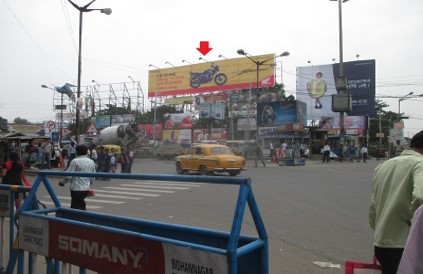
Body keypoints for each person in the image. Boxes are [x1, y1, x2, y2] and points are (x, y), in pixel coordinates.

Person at [369, 130, 423, 274]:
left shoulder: (383, 166)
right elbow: (420, 198)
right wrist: (415, 225)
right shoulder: (420, 164)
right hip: (407, 245)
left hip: (381, 244)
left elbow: (373, 207)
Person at [59, 145, 96, 210]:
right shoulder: (91, 162)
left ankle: (78, 218)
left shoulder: (75, 161)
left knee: (76, 207)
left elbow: (69, 175)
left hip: (76, 188)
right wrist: (90, 185)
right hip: (85, 188)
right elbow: (93, 176)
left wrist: (62, 182)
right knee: (80, 204)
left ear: (77, 152)